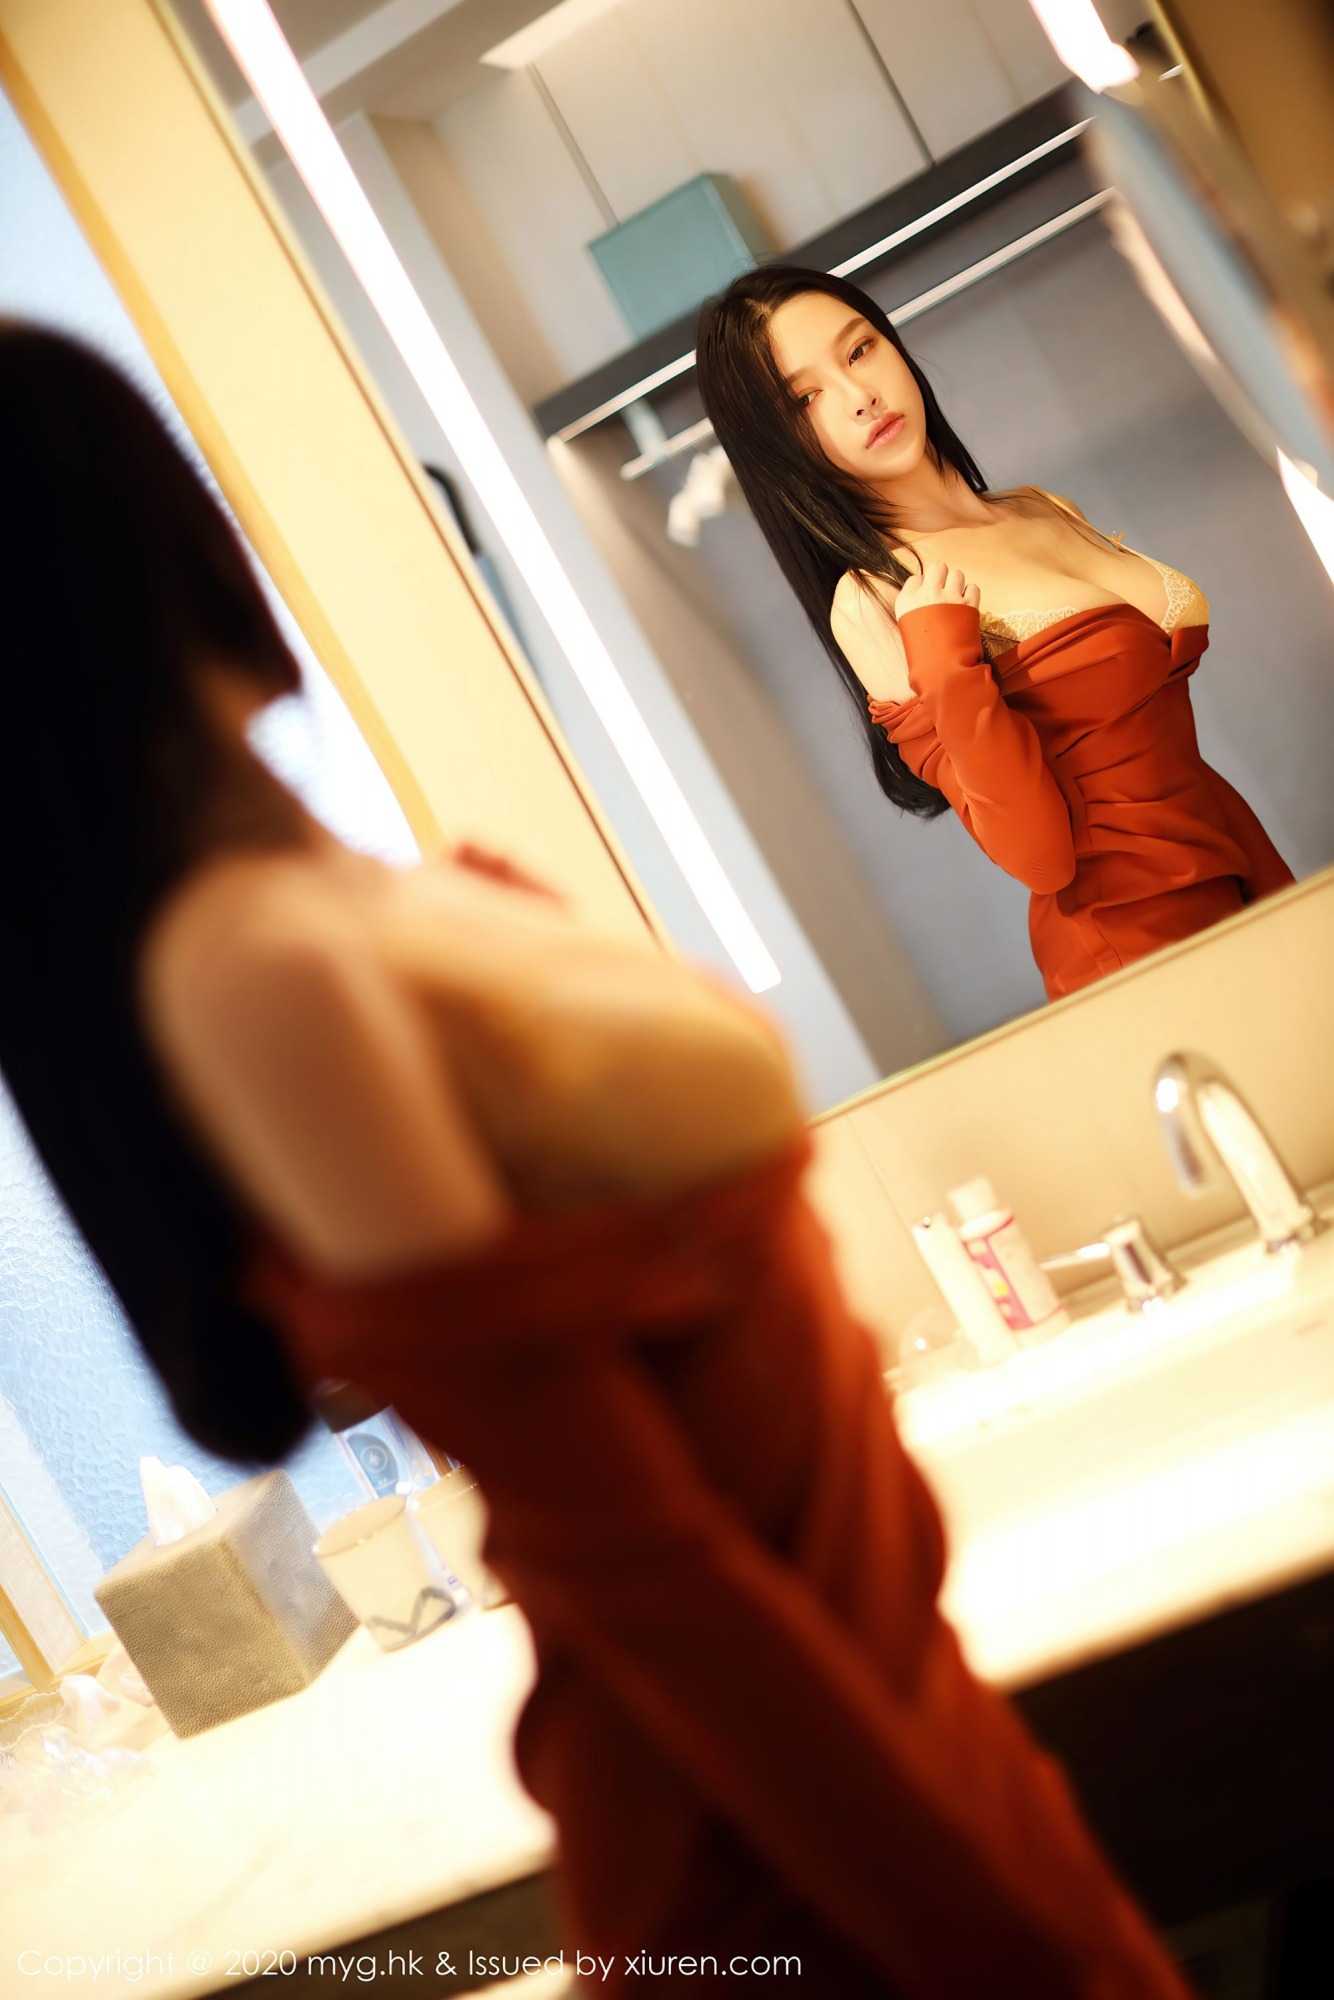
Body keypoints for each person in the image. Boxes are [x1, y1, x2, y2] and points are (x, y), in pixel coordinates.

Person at [0, 323, 1196, 1998]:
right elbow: (641, 1573)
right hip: (801, 1847)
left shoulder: (338, 897)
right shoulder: (256, 967)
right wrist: (986, 1923)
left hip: (894, 1728)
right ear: (142, 535)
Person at [696, 266, 1293, 1002]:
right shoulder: (875, 599)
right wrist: (945, 660)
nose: (860, 396)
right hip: (1132, 954)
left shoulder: (1042, 506)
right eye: (806, 398)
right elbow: (1038, 857)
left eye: (859, 351)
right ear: (775, 444)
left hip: (1241, 882)